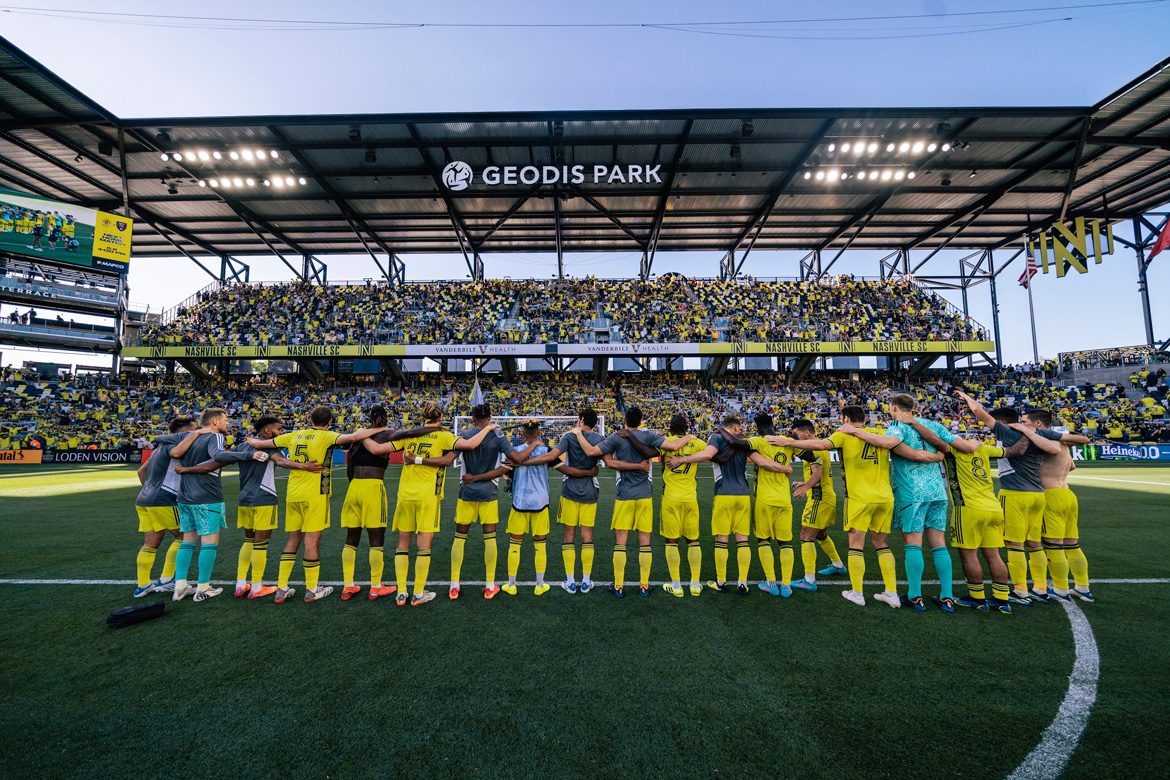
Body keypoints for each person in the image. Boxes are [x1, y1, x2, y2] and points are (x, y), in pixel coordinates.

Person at [768, 405, 940, 608]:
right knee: (882, 544)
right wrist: (937, 455)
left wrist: (785, 441)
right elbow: (910, 453)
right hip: (884, 498)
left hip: (859, 498)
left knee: (856, 545)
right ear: (865, 418)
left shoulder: (844, 434)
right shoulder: (881, 433)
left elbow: (822, 445)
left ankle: (857, 592)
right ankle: (891, 593)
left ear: (846, 418)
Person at [953, 391, 1089, 605]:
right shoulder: (1043, 435)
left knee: (1014, 544)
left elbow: (979, 411)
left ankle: (1021, 591)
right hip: (1039, 494)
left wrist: (966, 397)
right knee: (1036, 544)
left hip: (1016, 494)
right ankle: (1043, 587)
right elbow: (1071, 455)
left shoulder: (1008, 433)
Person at [363, 402, 498, 606]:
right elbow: (471, 445)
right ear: (440, 418)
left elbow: (376, 449)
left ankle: (401, 593)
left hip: (405, 495)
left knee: (402, 545)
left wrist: (362, 434)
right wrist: (488, 427)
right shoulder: (443, 436)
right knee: (423, 546)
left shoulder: (409, 435)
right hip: (428, 496)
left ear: (422, 418)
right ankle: (418, 593)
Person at [248, 405, 386, 604]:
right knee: (311, 542)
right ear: (329, 422)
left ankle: (282, 588)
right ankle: (312, 590)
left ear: (310, 420)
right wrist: (380, 429)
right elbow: (354, 437)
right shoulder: (327, 436)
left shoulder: (293, 435)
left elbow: (260, 443)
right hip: (315, 494)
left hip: (293, 494)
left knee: (292, 540)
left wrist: (249, 439)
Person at [175, 416, 322, 599]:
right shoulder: (268, 446)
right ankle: (257, 587)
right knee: (261, 544)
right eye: (278, 429)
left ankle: (240, 584)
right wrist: (304, 466)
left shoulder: (241, 447)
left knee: (248, 541)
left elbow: (213, 464)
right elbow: (282, 462)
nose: (281, 432)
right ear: (267, 431)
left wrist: (186, 470)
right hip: (264, 498)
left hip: (244, 499)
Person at [573, 406, 696, 597]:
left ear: (624, 421)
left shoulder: (616, 437)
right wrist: (689, 437)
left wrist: (578, 433)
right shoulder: (648, 436)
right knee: (644, 543)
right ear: (640, 421)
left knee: (620, 543)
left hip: (624, 496)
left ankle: (619, 586)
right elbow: (674, 446)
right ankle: (644, 585)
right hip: (645, 496)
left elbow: (591, 452)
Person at [909, 418, 1029, 613]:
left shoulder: (952, 449)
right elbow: (1016, 451)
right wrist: (1028, 434)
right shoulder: (984, 449)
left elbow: (935, 440)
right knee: (994, 555)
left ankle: (977, 599)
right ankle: (1002, 600)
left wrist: (913, 423)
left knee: (969, 554)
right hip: (993, 508)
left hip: (968, 508)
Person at [667, 414, 787, 595]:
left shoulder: (716, 437)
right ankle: (742, 583)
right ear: (737, 427)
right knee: (743, 540)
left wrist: (681, 460)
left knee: (721, 539)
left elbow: (708, 455)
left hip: (724, 493)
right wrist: (784, 468)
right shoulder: (744, 442)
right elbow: (761, 462)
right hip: (743, 495)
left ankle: (721, 582)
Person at [710, 413, 814, 597]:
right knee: (786, 543)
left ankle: (771, 583)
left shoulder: (758, 441)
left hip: (764, 500)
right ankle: (787, 586)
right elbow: (811, 456)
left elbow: (735, 443)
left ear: (757, 428)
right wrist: (791, 443)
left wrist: (722, 430)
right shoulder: (785, 441)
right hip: (784, 499)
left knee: (763, 541)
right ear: (774, 424)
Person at [339, 407, 434, 601]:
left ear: (369, 418)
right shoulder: (386, 434)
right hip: (373, 487)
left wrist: (354, 486)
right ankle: (375, 587)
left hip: (353, 487)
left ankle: (348, 586)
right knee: (376, 540)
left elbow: (349, 467)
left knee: (351, 539)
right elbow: (409, 432)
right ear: (386, 418)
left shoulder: (358, 437)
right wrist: (437, 429)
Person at [448, 403, 536, 599]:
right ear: (489, 418)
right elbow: (516, 459)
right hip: (488, 492)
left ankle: (454, 586)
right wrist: (535, 445)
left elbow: (448, 458)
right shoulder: (498, 436)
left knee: (459, 538)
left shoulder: (464, 434)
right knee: (490, 539)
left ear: (472, 418)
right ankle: (490, 585)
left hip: (467, 492)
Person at [886, 394, 960, 612]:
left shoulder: (896, 426)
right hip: (938, 489)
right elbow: (947, 447)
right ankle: (947, 597)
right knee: (939, 544)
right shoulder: (932, 424)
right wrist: (937, 456)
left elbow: (901, 450)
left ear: (893, 408)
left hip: (912, 492)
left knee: (913, 543)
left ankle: (915, 596)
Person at [166, 409, 239, 602]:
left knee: (187, 541)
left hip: (184, 497)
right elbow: (218, 456)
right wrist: (245, 454)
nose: (227, 424)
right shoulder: (215, 436)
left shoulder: (188, 437)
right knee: (209, 543)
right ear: (215, 421)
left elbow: (166, 443)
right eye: (225, 420)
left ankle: (180, 587)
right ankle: (203, 589)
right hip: (207, 496)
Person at [531, 408, 605, 594]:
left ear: (580, 420)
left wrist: (524, 460)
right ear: (595, 423)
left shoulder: (570, 436)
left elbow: (551, 456)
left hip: (570, 490)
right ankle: (586, 582)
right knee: (587, 536)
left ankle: (571, 581)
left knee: (569, 536)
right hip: (590, 491)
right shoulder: (600, 439)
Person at [131, 417, 196, 597]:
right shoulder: (175, 448)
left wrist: (149, 491)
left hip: (144, 499)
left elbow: (140, 471)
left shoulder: (158, 449)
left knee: (150, 543)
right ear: (183, 433)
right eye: (193, 430)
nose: (196, 433)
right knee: (185, 536)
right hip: (165, 497)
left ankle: (143, 584)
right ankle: (167, 580)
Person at [1035, 412, 1094, 603]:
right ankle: (1083, 587)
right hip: (1067, 493)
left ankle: (1060, 589)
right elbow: (1072, 467)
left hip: (1051, 495)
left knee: (1053, 546)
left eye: (1025, 422)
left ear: (1038, 424)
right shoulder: (1065, 444)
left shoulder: (1043, 440)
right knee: (1072, 544)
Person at [788, 418, 846, 591]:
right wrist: (803, 483)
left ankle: (809, 581)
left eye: (796, 433)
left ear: (806, 432)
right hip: (825, 496)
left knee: (806, 535)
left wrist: (806, 487)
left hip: (819, 499)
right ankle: (838, 565)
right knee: (821, 535)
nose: (795, 437)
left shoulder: (815, 448)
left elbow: (818, 472)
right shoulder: (819, 447)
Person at [500, 420, 555, 595]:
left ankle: (511, 585)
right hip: (540, 501)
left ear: (522, 434)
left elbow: (505, 473)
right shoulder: (546, 450)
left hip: (520, 501)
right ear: (538, 434)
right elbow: (562, 465)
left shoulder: (514, 452)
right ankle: (540, 585)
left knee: (515, 544)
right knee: (540, 545)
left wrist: (510, 480)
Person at [656, 413, 708, 597]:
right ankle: (695, 584)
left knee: (672, 541)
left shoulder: (665, 442)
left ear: (670, 428)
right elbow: (713, 453)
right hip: (690, 498)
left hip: (670, 497)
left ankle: (676, 585)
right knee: (693, 541)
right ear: (687, 429)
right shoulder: (699, 443)